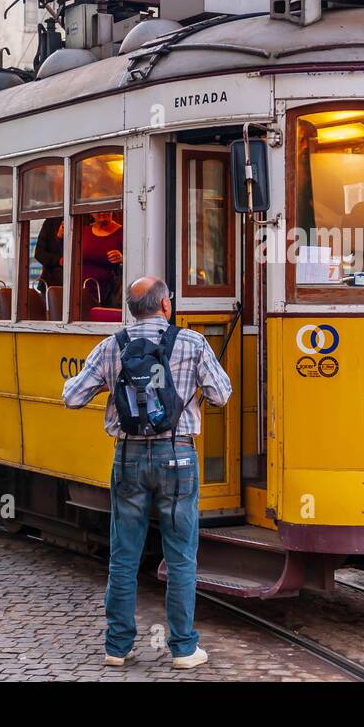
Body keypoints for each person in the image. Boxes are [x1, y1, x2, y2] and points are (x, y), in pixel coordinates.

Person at [61, 276, 232, 670]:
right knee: (181, 558)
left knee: (123, 557)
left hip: (129, 459)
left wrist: (110, 381)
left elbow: (72, 397)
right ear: (166, 306)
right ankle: (184, 649)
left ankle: (117, 647)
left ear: (129, 310)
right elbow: (221, 394)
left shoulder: (113, 346)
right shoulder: (191, 343)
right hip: (179, 457)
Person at [80, 211, 124, 308]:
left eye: (107, 208)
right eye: (98, 209)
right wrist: (60, 238)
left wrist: (122, 259)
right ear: (91, 213)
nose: (102, 212)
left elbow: (138, 261)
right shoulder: (84, 231)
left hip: (110, 295)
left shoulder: (123, 233)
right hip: (83, 292)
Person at [34, 216, 64, 290]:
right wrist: (58, 261)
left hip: (77, 282)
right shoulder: (51, 222)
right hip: (52, 282)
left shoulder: (83, 219)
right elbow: (39, 253)